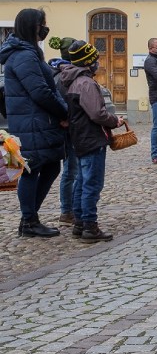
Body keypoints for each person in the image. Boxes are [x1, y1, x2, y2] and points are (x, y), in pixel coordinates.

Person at [0, 8, 68, 238]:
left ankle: (29, 218)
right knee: (34, 169)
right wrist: (63, 113)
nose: (45, 29)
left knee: (49, 165)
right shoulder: (24, 55)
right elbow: (40, 91)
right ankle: (29, 220)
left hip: (36, 120)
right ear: (33, 27)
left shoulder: (28, 52)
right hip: (33, 121)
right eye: (42, 24)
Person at [59, 40, 124, 242]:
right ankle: (89, 225)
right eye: (95, 59)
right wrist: (115, 121)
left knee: (82, 181)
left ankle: (79, 223)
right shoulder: (85, 83)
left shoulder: (72, 80)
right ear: (88, 61)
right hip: (91, 137)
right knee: (92, 183)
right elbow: (97, 113)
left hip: (80, 136)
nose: (98, 63)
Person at [47, 36, 79, 226]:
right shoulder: (64, 75)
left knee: (71, 169)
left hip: (70, 126)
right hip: (70, 127)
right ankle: (67, 210)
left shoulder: (58, 71)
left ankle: (69, 209)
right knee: (71, 170)